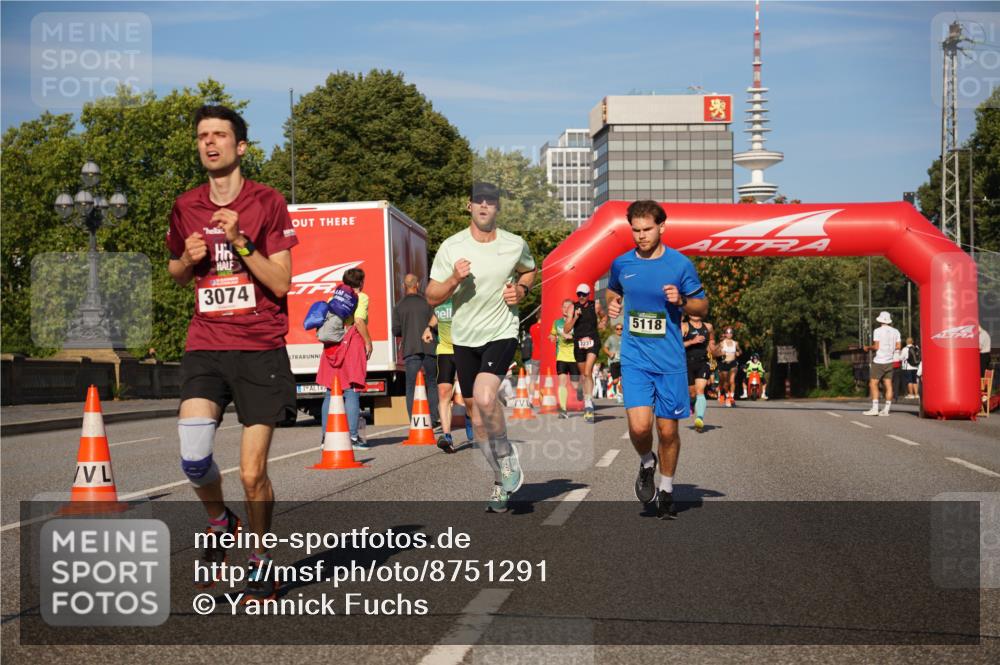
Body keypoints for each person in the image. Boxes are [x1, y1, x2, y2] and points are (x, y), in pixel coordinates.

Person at [166, 105, 297, 603]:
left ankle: (261, 560)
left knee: (251, 473)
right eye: (203, 135)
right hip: (206, 343)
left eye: (219, 135)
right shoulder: (185, 205)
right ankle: (221, 519)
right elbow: (176, 273)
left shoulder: (268, 201)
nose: (209, 142)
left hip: (259, 347)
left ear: (240, 146)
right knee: (193, 457)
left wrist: (240, 241)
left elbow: (281, 283)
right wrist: (187, 259)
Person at [426, 182, 536, 514]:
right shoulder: (451, 247)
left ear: (497, 208)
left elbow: (530, 270)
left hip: (501, 331)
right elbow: (431, 295)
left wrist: (521, 290)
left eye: (491, 202)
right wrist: (454, 280)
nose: (484, 206)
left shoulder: (514, 244)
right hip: (463, 338)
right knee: (476, 416)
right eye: (479, 201)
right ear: (469, 206)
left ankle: (507, 455)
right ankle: (500, 479)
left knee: (487, 397)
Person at [606, 200, 708, 520]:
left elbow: (702, 307)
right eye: (635, 230)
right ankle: (647, 462)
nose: (641, 236)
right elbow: (612, 291)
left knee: (667, 432)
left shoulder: (679, 264)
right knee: (639, 428)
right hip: (635, 358)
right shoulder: (622, 263)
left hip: (670, 362)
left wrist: (683, 300)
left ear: (662, 227)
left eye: (647, 229)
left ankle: (666, 489)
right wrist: (613, 304)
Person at [317, 268, 369, 449]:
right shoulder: (361, 297)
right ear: (361, 282)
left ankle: (326, 438)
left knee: (330, 392)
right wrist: (368, 342)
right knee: (352, 391)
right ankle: (352, 437)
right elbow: (359, 320)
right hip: (351, 345)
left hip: (332, 347)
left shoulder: (333, 298)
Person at [393, 273, 440, 422]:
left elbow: (396, 330)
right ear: (417, 285)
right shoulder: (427, 303)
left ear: (404, 286)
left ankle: (414, 420)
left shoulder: (399, 306)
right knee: (432, 383)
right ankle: (433, 419)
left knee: (411, 386)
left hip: (410, 349)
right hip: (429, 348)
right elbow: (436, 324)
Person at [433, 298, 475, 453]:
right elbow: (436, 315)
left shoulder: (465, 296)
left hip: (464, 349)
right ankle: (447, 437)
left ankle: (469, 417)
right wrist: (428, 328)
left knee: (468, 396)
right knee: (443, 392)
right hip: (444, 350)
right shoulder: (438, 299)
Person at [565, 283, 608, 422]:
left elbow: (604, 317)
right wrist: (575, 318)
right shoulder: (572, 307)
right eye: (579, 294)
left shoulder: (595, 305)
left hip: (593, 342)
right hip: (578, 344)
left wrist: (602, 323)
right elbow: (566, 329)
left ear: (589, 295)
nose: (581, 297)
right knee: (584, 375)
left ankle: (588, 404)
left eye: (584, 294)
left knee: (588, 372)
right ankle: (583, 392)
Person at [681, 313, 715, 431]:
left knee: (700, 390)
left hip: (703, 362)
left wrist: (715, 351)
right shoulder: (684, 326)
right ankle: (692, 402)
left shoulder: (708, 326)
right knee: (692, 393)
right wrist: (692, 341)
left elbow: (711, 341)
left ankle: (699, 419)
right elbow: (677, 345)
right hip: (687, 362)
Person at [863, 311, 901, 416]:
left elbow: (876, 347)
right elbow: (898, 346)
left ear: (880, 320)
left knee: (873, 383)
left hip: (879, 361)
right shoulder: (896, 331)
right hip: (890, 361)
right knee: (888, 384)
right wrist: (890, 349)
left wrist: (867, 348)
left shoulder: (877, 331)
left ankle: (875, 408)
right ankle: (886, 410)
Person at [550, 299, 578, 418]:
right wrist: (552, 337)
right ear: (562, 309)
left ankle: (580, 390)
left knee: (575, 385)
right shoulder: (557, 323)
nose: (566, 309)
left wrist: (571, 337)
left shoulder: (577, 322)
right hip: (561, 356)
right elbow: (553, 334)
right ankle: (563, 410)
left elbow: (581, 336)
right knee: (562, 383)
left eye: (569, 307)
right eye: (564, 307)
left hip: (574, 357)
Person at [715, 326, 741, 407]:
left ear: (732, 334)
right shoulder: (722, 343)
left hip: (733, 363)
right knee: (725, 383)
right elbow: (714, 353)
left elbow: (740, 351)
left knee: (732, 381)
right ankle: (727, 396)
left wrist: (738, 353)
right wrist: (720, 353)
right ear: (725, 334)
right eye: (727, 332)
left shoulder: (735, 343)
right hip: (724, 364)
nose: (729, 334)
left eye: (731, 332)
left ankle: (731, 398)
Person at [603, 322, 623, 403]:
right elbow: (605, 348)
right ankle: (613, 388)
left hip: (623, 361)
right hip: (613, 361)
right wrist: (609, 353)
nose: (619, 330)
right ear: (615, 330)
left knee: (623, 380)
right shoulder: (611, 338)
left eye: (621, 329)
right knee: (615, 381)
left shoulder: (626, 338)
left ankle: (620, 395)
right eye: (617, 329)